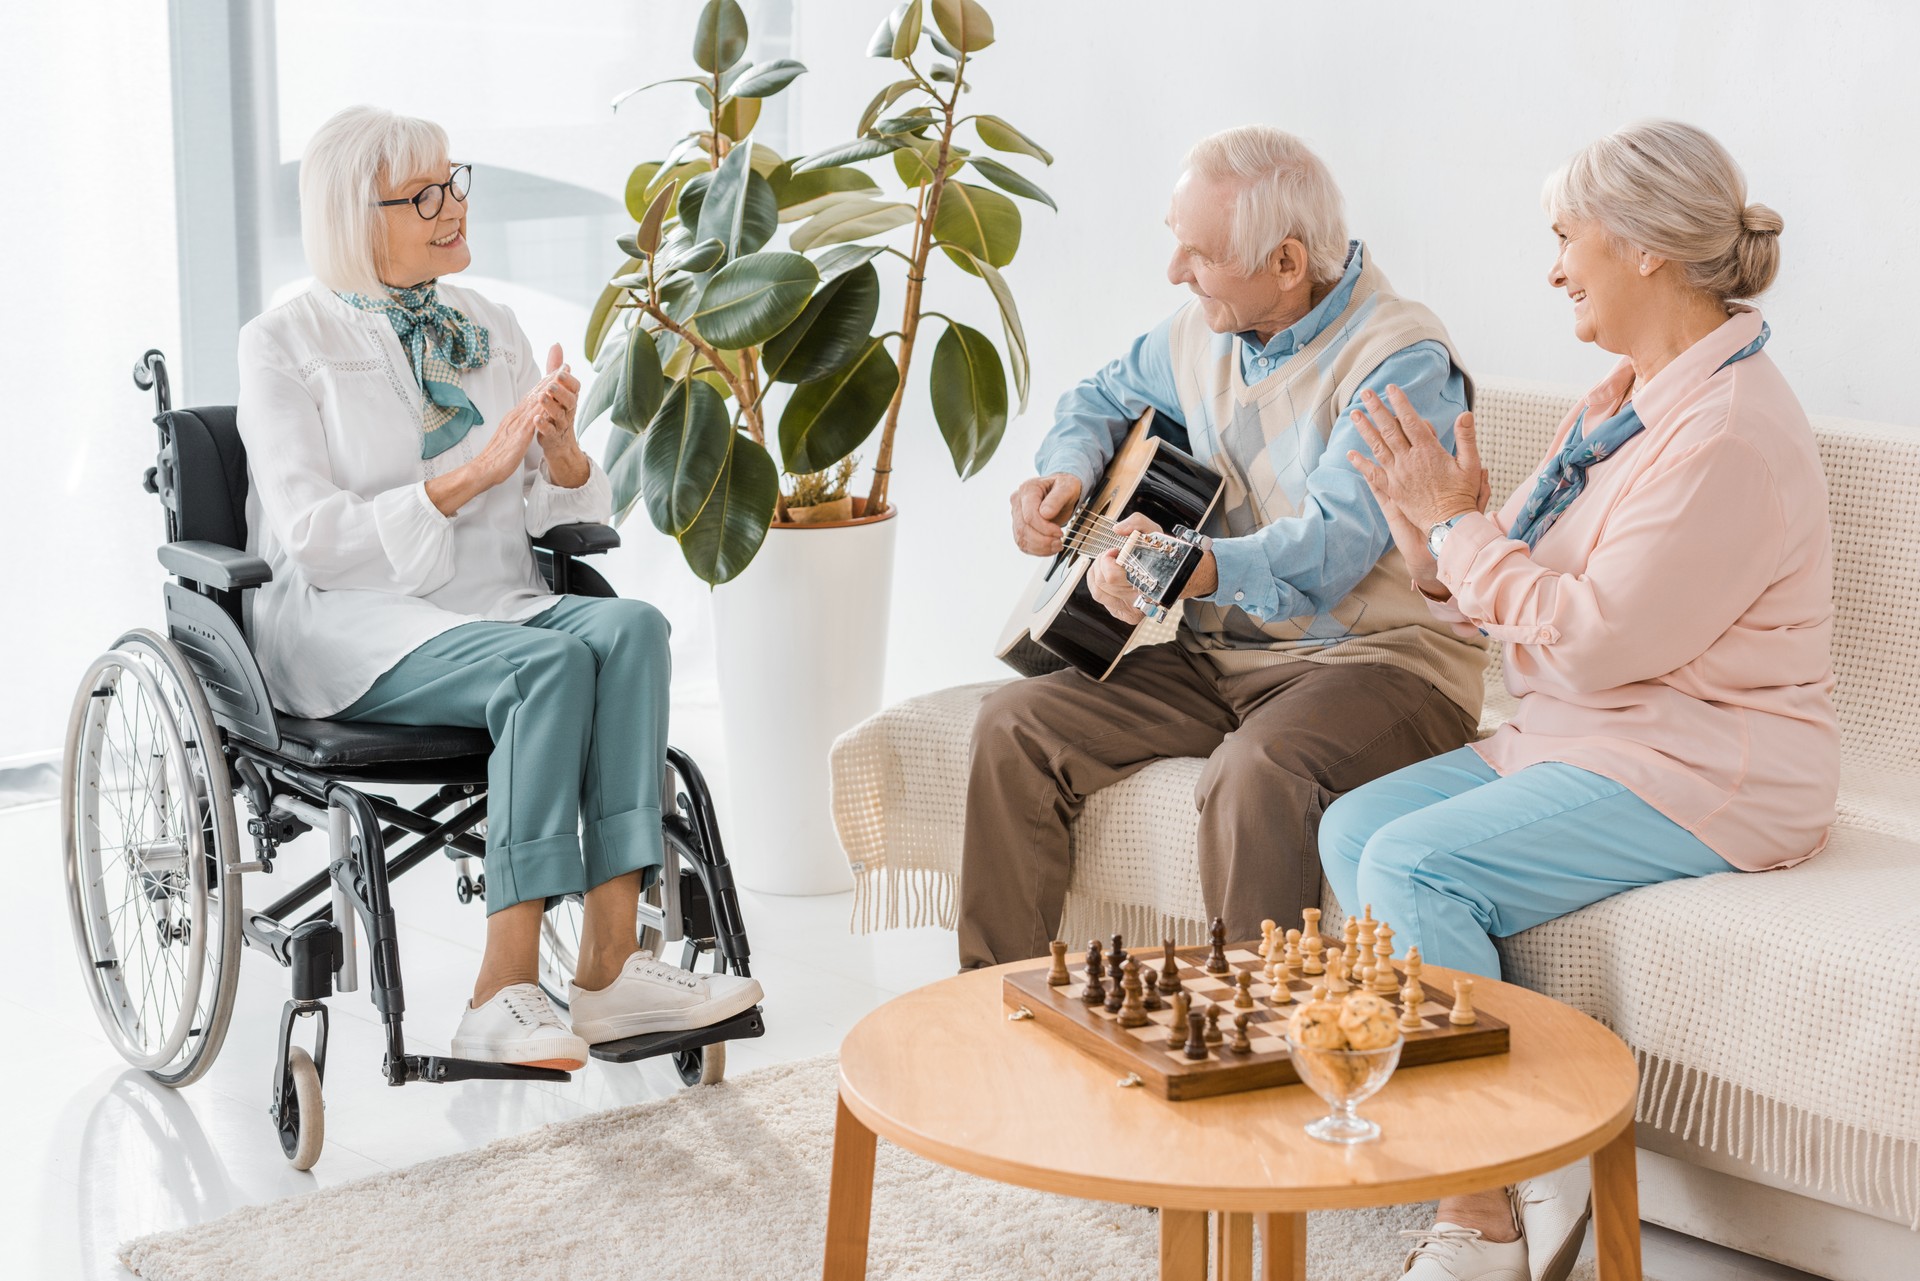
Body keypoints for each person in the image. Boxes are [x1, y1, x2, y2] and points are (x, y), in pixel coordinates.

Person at [1321, 121, 1837, 1281]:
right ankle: (1510, 1150)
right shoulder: (1624, 395)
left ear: (1645, 247)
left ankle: (1485, 1205)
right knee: (1352, 826)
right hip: (1596, 735)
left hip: (1715, 767)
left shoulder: (1728, 435)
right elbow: (1536, 600)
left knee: (1413, 867)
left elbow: (1595, 642)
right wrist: (1434, 543)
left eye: (1567, 238)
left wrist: (1463, 531)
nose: (1554, 268)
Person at [237, 106, 761, 1071]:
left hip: (491, 604)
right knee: (550, 665)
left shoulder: (488, 324)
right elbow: (314, 541)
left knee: (633, 628)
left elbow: (551, 513)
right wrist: (473, 471)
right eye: (424, 194)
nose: (452, 206)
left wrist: (558, 456)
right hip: (356, 627)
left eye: (455, 181)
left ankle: (607, 971)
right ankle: (501, 985)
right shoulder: (283, 342)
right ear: (360, 217)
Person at [959, 126, 1488, 969]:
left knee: (1257, 772)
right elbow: (1097, 397)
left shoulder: (1398, 360)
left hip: (1380, 667)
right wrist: (1065, 474)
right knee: (1012, 725)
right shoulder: (1201, 331)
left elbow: (1330, 550)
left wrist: (1188, 566)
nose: (1175, 272)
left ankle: (1253, 1045)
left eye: (1197, 254)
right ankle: (994, 1008)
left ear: (1285, 262)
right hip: (1224, 657)